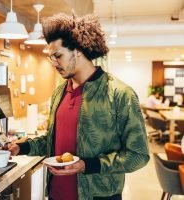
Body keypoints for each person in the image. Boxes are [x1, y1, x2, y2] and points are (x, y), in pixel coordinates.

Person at [9, 13, 149, 200]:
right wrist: (20, 147)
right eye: (50, 57)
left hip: (99, 196)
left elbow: (138, 155)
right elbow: (52, 141)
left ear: (78, 50)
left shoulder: (120, 94)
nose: (53, 63)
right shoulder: (59, 93)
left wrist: (87, 165)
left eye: (58, 55)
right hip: (56, 194)